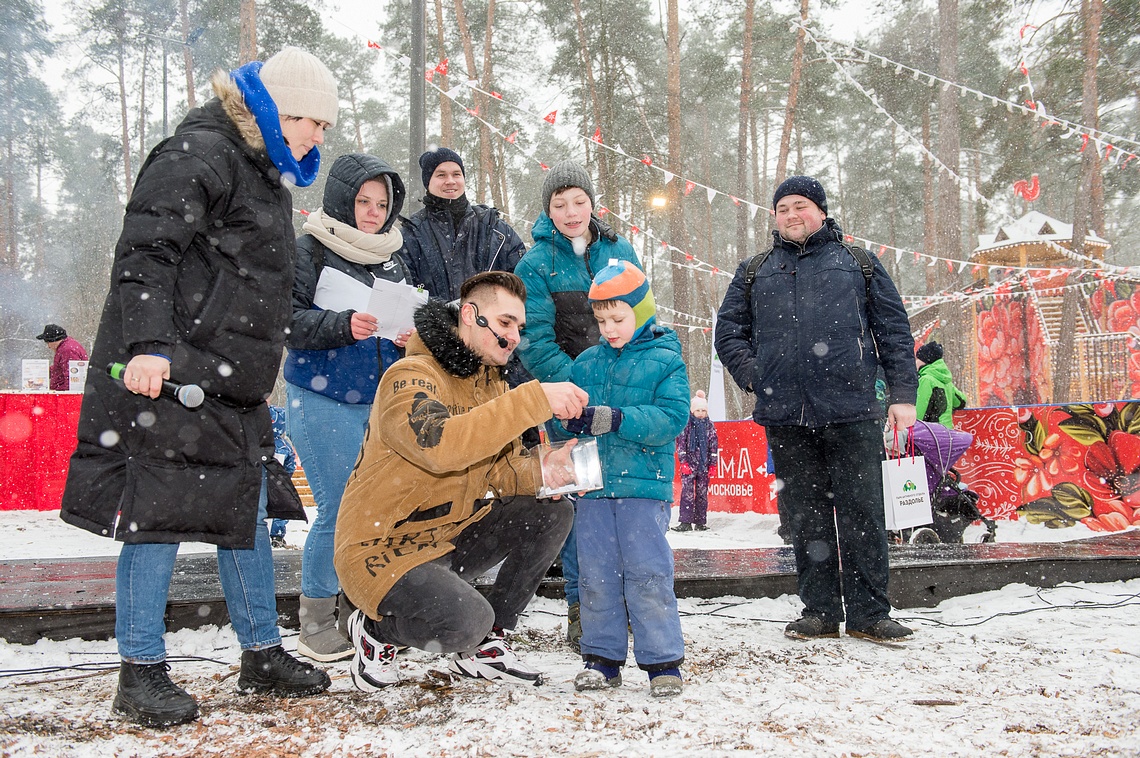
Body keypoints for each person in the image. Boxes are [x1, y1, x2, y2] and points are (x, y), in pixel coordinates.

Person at [59, 47, 339, 728]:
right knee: (158, 518)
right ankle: (141, 670)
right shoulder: (201, 153)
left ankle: (261, 653)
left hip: (234, 383)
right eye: (314, 123)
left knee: (243, 512)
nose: (320, 139)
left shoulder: (263, 173)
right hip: (178, 374)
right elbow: (146, 252)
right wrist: (150, 345)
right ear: (280, 110)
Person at [333, 271, 589, 692]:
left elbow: (499, 472)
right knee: (467, 621)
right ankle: (377, 632)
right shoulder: (410, 376)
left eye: (519, 328)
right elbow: (440, 446)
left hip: (448, 536)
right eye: (505, 323)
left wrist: (544, 470)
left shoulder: (488, 386)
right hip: (381, 548)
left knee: (553, 510)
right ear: (470, 315)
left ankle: (486, 644)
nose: (513, 338)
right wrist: (532, 399)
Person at [715, 176, 919, 644]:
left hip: (852, 412)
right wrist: (755, 377)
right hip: (787, 417)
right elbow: (729, 333)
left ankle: (870, 614)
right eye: (782, 207)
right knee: (805, 519)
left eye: (800, 205)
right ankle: (820, 611)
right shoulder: (755, 270)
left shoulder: (858, 264)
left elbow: (894, 332)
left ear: (821, 211)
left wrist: (903, 396)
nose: (791, 214)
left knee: (863, 515)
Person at [282, 153, 414, 662]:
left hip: (380, 401)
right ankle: (315, 619)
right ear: (342, 200)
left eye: (382, 204)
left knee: (375, 513)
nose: (373, 212)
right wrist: (341, 324)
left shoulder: (395, 256)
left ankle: (355, 612)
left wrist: (411, 335)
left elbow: (417, 310)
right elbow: (286, 322)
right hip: (321, 398)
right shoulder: (310, 248)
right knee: (340, 511)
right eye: (363, 201)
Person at [513, 160, 644, 651]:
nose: (571, 212)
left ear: (592, 203)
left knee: (627, 499)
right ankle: (583, 606)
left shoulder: (619, 250)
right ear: (548, 209)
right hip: (569, 402)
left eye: (578, 202)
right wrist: (575, 390)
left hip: (624, 402)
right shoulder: (536, 263)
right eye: (559, 204)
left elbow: (642, 317)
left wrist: (635, 380)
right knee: (581, 502)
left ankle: (628, 601)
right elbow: (534, 339)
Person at [556, 261, 690, 697]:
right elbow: (569, 414)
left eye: (618, 318)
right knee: (596, 574)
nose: (608, 329)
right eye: (601, 321)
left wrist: (616, 418)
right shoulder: (586, 363)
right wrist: (567, 425)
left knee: (648, 573)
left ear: (643, 310)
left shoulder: (666, 360)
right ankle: (601, 658)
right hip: (593, 490)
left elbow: (670, 418)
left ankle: (662, 662)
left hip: (642, 488)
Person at [400, 147, 527, 302]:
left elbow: (522, 283)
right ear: (428, 182)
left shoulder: (495, 229)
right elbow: (407, 292)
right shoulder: (412, 234)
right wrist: (444, 314)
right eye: (441, 175)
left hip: (489, 324)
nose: (450, 181)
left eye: (456, 174)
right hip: (434, 325)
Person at [673, 390, 719, 532]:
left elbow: (713, 446)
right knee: (687, 492)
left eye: (703, 410)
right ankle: (685, 522)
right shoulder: (686, 425)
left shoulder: (709, 426)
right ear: (692, 411)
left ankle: (700, 522)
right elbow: (681, 444)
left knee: (702, 493)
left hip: (703, 465)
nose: (700, 413)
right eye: (697, 410)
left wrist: (712, 464)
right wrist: (684, 462)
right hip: (690, 463)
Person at [914, 341, 967, 428]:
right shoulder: (945, 381)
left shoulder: (926, 380)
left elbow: (918, 413)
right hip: (947, 432)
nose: (915, 362)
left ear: (925, 360)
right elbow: (961, 401)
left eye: (917, 359)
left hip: (931, 433)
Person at [268, 403, 299, 548]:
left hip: (259, 482)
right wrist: (285, 477)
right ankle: (277, 534)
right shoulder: (284, 446)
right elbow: (290, 465)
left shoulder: (259, 443)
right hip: (279, 483)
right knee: (282, 508)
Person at [35, 324, 88, 391]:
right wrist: (45, 371)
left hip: (63, 396)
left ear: (53, 340)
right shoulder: (66, 347)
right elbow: (61, 368)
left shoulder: (67, 351)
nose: (48, 346)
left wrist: (63, 395)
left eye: (48, 342)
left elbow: (71, 378)